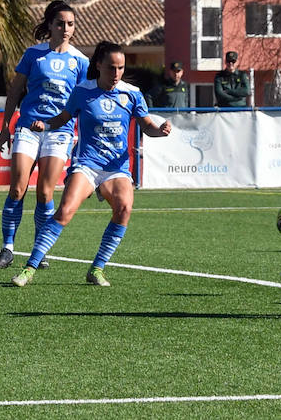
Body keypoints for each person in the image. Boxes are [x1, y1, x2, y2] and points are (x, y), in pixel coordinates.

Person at [11, 41, 171, 287]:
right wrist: (46, 125)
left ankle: (96, 269)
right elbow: (63, 118)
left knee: (124, 208)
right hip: (86, 164)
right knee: (64, 212)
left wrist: (160, 130)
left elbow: (146, 126)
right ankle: (29, 268)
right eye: (111, 68)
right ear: (98, 66)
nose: (116, 74)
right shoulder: (83, 91)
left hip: (116, 168)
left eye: (120, 68)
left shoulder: (132, 93)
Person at [0, 0, 89, 270]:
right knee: (18, 188)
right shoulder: (33, 54)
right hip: (28, 128)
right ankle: (7, 248)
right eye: (60, 23)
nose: (66, 28)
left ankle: (39, 249)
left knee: (45, 193)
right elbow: (14, 92)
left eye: (70, 24)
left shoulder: (81, 61)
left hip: (59, 132)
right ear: (50, 25)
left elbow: (83, 102)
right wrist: (4, 128)